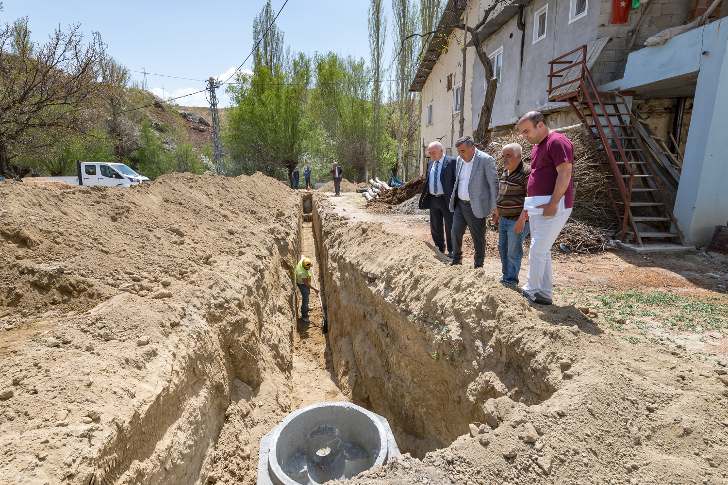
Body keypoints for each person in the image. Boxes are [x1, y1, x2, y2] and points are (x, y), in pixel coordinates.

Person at [514, 111, 575, 306]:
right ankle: (545, 293)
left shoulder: (557, 142)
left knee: (537, 248)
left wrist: (553, 203)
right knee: (543, 250)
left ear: (540, 125)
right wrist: (527, 208)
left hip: (553, 204)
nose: (524, 136)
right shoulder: (537, 146)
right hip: (538, 205)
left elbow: (565, 172)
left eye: (526, 131)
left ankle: (531, 289)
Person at [448, 136, 498, 268]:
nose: (460, 154)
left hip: (476, 206)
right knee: (455, 232)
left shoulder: (485, 160)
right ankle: (457, 259)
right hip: (460, 204)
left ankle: (478, 265)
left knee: (478, 237)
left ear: (472, 147)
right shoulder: (459, 160)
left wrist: (495, 207)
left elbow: (493, 184)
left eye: (463, 151)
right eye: (458, 151)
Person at [494, 143, 530, 286]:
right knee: (502, 248)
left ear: (519, 156)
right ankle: (506, 276)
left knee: (513, 251)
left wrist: (523, 219)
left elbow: (530, 198)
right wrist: (497, 211)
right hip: (504, 219)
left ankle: (511, 280)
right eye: (503, 156)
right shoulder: (506, 171)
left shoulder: (527, 172)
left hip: (517, 220)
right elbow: (502, 192)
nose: (505, 159)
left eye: (508, 155)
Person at [419, 141, 456, 258]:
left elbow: (456, 181)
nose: (431, 155)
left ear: (441, 150)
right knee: (435, 225)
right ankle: (439, 247)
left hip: (446, 199)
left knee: (450, 225)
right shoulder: (430, 163)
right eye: (430, 153)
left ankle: (452, 250)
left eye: (433, 152)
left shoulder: (451, 162)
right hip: (433, 199)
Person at [295, 256, 319, 323]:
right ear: (304, 267)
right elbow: (306, 284)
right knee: (305, 298)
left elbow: (302, 256)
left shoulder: (303, 260)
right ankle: (304, 316)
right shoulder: (302, 273)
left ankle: (307, 308)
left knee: (307, 294)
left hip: (305, 282)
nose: (309, 268)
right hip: (302, 284)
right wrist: (315, 289)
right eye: (307, 268)